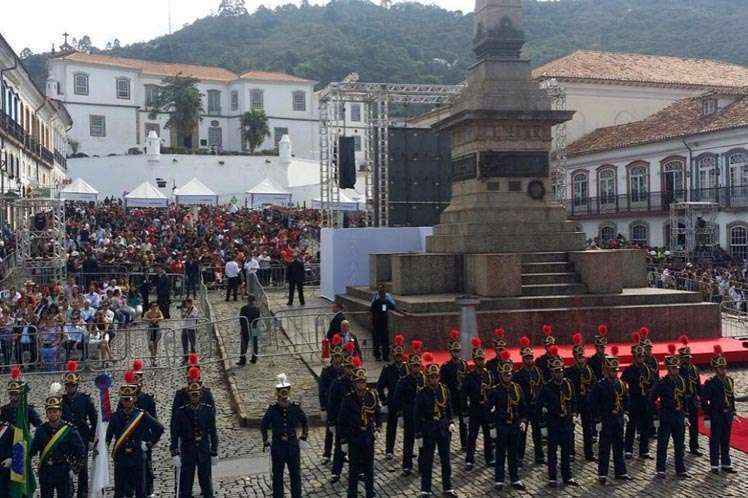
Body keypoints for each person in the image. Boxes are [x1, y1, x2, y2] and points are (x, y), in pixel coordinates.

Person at [106, 370, 164, 498]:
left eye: (129, 399)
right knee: (120, 492)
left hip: (137, 457)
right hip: (121, 458)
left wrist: (149, 444)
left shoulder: (141, 415)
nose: (126, 402)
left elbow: (159, 428)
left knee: (140, 491)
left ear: (134, 399)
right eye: (124, 400)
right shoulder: (116, 417)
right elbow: (108, 437)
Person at [30, 384, 85, 498]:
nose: (52, 414)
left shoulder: (69, 429)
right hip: (46, 471)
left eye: (55, 411)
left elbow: (80, 449)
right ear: (46, 413)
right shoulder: (41, 430)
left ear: (60, 412)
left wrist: (75, 465)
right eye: (50, 412)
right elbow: (34, 449)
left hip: (63, 470)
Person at [171, 367, 219, 498]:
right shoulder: (181, 411)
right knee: (185, 485)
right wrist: (174, 451)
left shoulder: (207, 409)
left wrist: (214, 450)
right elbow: (175, 429)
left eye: (197, 394)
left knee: (207, 484)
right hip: (187, 449)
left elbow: (212, 430)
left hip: (203, 449)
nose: (194, 397)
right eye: (192, 394)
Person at [414, 353, 457, 497]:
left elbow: (449, 409)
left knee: (446, 460)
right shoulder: (422, 393)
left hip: (443, 429)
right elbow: (417, 415)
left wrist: (451, 422)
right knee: (427, 461)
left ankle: (447, 488)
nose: (434, 379)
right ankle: (425, 489)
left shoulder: (444, 390)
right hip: (429, 429)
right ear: (427, 378)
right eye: (431, 377)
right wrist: (418, 433)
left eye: (436, 376)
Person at [338, 356, 380, 498]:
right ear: (355, 383)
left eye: (363, 382)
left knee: (369, 466)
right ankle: (352, 492)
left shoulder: (372, 396)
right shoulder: (348, 399)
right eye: (358, 382)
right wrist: (343, 440)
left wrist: (378, 428)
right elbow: (342, 420)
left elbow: (377, 413)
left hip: (368, 435)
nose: (361, 384)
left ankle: (370, 491)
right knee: (354, 468)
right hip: (354, 435)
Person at [261, 373, 309, 498]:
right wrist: (265, 441)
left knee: (295, 475)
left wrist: (304, 436)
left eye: (286, 393)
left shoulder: (295, 408)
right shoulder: (272, 409)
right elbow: (263, 425)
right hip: (278, 447)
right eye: (281, 394)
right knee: (277, 476)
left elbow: (304, 421)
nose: (284, 398)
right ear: (277, 395)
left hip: (292, 446)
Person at [589, 346, 630, 484]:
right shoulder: (600, 385)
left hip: (618, 419)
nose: (615, 372)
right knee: (604, 448)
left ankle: (621, 471)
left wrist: (625, 413)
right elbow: (592, 403)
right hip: (606, 420)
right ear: (606, 370)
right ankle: (602, 474)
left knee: (619, 446)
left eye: (616, 370)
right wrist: (597, 420)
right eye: (612, 370)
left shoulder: (621, 384)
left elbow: (626, 399)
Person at [539, 348, 578, 487]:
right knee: (552, 452)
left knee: (566, 451)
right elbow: (540, 406)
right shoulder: (546, 387)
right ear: (552, 372)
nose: (559, 373)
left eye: (561, 370)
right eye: (556, 371)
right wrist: (543, 425)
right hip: (553, 422)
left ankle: (567, 476)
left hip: (566, 422)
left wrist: (574, 414)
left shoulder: (568, 384)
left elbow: (573, 400)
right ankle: (552, 477)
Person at [489, 350, 527, 491]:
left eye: (509, 374)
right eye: (505, 374)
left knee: (513, 454)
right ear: (500, 376)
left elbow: (523, 408)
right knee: (500, 453)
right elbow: (489, 410)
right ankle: (499, 480)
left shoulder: (517, 388)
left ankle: (515, 478)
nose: (508, 376)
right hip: (501, 426)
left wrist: (523, 420)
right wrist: (492, 427)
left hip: (514, 426)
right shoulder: (495, 390)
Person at [650, 344, 690, 479]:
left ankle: (680, 469)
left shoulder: (682, 381)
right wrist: (656, 415)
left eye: (677, 368)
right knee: (663, 443)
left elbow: (685, 399)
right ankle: (660, 469)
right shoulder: (662, 383)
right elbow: (652, 398)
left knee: (680, 445)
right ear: (668, 369)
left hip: (678, 416)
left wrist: (686, 415)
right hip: (666, 416)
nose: (676, 370)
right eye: (673, 368)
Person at [60, 361, 97, 498]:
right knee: (65, 466)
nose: (70, 388)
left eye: (72, 385)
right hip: (65, 437)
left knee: (82, 467)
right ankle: (67, 491)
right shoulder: (60, 401)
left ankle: (83, 493)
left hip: (82, 436)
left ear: (76, 385)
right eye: (68, 386)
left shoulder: (85, 399)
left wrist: (92, 437)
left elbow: (94, 419)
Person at [701, 345, 737, 474]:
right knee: (715, 440)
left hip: (727, 415)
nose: (723, 370)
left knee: (726, 440)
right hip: (716, 414)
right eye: (721, 368)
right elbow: (704, 400)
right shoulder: (711, 382)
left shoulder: (729, 381)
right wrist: (708, 415)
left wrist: (734, 411)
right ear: (716, 369)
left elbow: (731, 397)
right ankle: (714, 465)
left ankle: (726, 463)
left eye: (724, 368)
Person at [393, 340, 425, 475]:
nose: (416, 368)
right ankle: (407, 465)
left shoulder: (424, 379)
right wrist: (400, 414)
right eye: (414, 366)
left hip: (423, 415)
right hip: (409, 413)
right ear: (410, 366)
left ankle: (423, 463)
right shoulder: (403, 381)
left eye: (418, 365)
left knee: (423, 440)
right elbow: (397, 398)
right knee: (409, 441)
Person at [621, 333, 655, 460]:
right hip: (634, 399)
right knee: (631, 425)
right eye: (639, 356)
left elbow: (652, 383)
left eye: (642, 356)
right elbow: (623, 384)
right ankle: (628, 449)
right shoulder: (628, 370)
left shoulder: (647, 369)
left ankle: (644, 450)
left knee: (645, 425)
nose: (641, 358)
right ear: (634, 357)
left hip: (645, 399)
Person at [564, 332, 597, 462]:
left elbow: (594, 386)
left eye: (582, 356)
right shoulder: (569, 371)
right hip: (574, 403)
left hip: (586, 403)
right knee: (570, 429)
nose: (581, 359)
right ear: (574, 357)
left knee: (588, 428)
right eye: (578, 357)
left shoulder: (589, 370)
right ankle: (571, 452)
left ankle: (589, 453)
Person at [463, 337, 494, 471]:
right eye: (478, 359)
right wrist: (465, 411)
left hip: (487, 408)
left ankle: (489, 458)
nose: (480, 361)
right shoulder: (469, 376)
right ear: (474, 361)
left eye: (482, 359)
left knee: (489, 435)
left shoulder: (490, 374)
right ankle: (469, 460)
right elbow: (463, 395)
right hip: (475, 408)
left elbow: (494, 391)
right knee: (472, 436)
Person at [513, 336, 544, 467]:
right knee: (522, 433)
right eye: (527, 358)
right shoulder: (518, 374)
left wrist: (543, 403)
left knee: (538, 432)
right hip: (524, 407)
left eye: (531, 357)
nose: (529, 360)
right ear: (523, 359)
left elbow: (542, 387)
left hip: (536, 406)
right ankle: (519, 457)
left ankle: (539, 456)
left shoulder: (538, 371)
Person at [376, 334, 407, 460]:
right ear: (394, 355)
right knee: (391, 427)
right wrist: (384, 401)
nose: (399, 357)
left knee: (408, 428)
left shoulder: (407, 367)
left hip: (405, 402)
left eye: (400, 355)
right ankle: (389, 450)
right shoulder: (388, 369)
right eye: (397, 355)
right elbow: (379, 386)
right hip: (393, 402)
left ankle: (408, 449)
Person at [328, 348, 356, 483]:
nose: (350, 370)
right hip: (342, 420)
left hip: (355, 421)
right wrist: (332, 421)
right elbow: (332, 404)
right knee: (340, 447)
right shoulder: (338, 383)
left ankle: (359, 470)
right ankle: (336, 472)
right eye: (348, 367)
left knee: (357, 448)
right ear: (344, 368)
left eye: (352, 368)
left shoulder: (358, 384)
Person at [440, 329, 468, 452]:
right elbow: (443, 383)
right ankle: (446, 444)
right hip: (450, 396)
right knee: (449, 421)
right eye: (454, 351)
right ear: (451, 352)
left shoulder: (464, 364)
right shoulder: (445, 366)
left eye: (458, 351)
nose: (456, 353)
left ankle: (465, 444)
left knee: (463, 422)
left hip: (461, 396)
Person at [320, 335, 344, 464]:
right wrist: (323, 407)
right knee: (330, 430)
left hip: (342, 404)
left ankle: (342, 452)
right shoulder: (326, 371)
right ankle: (327, 453)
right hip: (330, 404)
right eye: (335, 358)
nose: (337, 360)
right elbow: (322, 390)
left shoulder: (344, 370)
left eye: (339, 358)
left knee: (343, 430)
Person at [677, 335, 702, 456]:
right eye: (685, 358)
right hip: (683, 400)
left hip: (692, 399)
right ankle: (680, 445)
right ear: (681, 358)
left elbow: (698, 384)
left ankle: (694, 445)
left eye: (688, 358)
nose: (687, 360)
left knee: (694, 424)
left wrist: (701, 397)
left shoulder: (694, 369)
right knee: (681, 425)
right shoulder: (678, 370)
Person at [369, 283, 395, 361]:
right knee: (376, 341)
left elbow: (394, 308)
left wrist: (404, 313)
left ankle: (385, 356)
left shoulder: (387, 301)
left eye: (383, 292)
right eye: (380, 292)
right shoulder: (375, 302)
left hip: (384, 325)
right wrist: (371, 324)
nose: (382, 293)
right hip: (376, 324)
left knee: (385, 341)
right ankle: (377, 356)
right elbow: (371, 313)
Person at [238, 294, 261, 366]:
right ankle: (254, 358)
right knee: (255, 343)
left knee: (244, 343)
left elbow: (241, 319)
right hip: (254, 327)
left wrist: (242, 328)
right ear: (254, 301)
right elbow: (257, 319)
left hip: (245, 327)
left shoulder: (243, 308)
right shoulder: (257, 309)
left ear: (248, 300)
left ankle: (243, 359)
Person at [180, 298, 200, 365]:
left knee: (192, 345)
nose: (185, 305)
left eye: (186, 304)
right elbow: (183, 317)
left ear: (190, 303)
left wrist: (186, 315)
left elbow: (191, 317)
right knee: (184, 343)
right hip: (185, 327)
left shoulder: (195, 310)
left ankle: (193, 360)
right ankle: (185, 358)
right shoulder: (187, 309)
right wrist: (183, 313)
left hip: (191, 329)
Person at [144, 302, 164, 367]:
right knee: (150, 344)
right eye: (153, 306)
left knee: (155, 344)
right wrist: (150, 319)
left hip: (157, 329)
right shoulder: (148, 313)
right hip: (150, 329)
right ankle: (152, 355)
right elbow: (143, 318)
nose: (155, 307)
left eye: (156, 306)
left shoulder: (158, 312)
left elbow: (162, 317)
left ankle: (154, 358)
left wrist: (157, 319)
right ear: (151, 307)